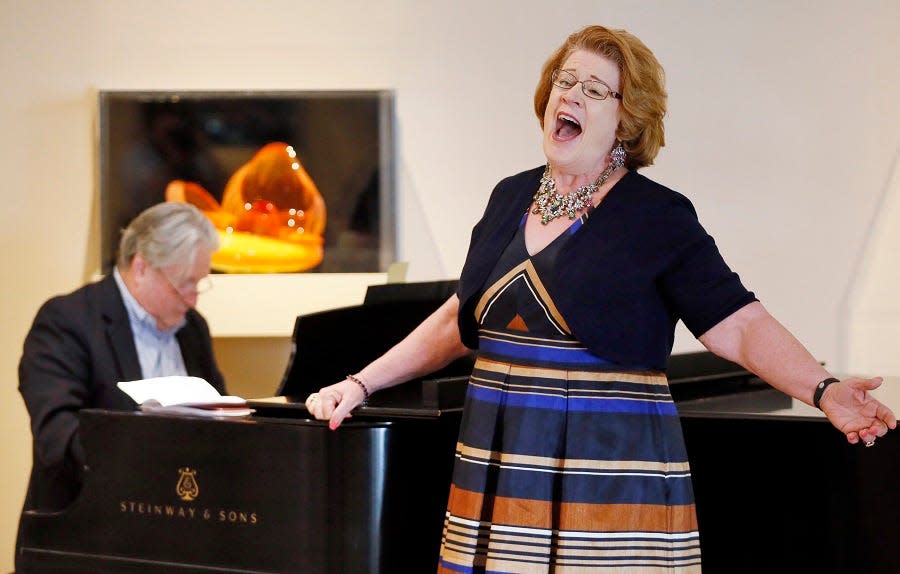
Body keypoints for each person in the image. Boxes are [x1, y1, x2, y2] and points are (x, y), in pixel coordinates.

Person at [305, 25, 896, 572]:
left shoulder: (656, 216)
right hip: (499, 464)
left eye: (595, 89)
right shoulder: (509, 197)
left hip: (607, 475)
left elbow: (738, 325)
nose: (573, 96)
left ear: (626, 121)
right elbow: (460, 320)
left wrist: (823, 390)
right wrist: (360, 383)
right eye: (565, 80)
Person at [17, 201, 225, 518]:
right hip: (87, 529)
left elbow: (219, 415)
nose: (193, 297)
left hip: (178, 527)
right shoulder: (67, 321)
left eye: (199, 282)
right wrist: (148, 458)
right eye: (183, 283)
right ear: (141, 268)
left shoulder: (192, 328)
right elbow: (56, 437)